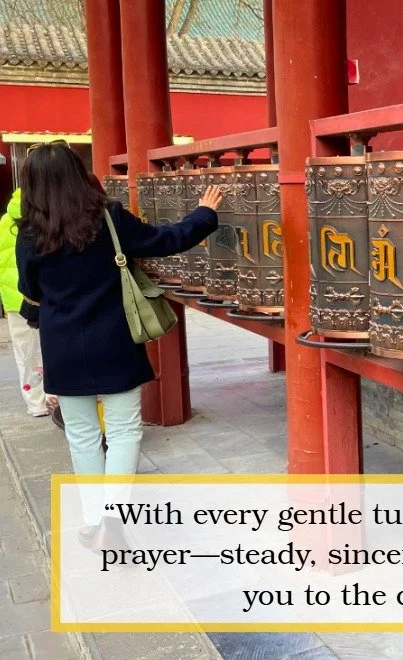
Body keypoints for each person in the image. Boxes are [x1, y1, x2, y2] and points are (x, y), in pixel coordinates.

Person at [15, 143, 223, 541]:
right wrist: (204, 213)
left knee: (82, 436)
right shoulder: (108, 220)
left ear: (33, 184)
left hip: (64, 347)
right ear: (78, 175)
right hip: (115, 340)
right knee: (126, 431)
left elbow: (31, 290)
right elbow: (166, 240)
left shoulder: (29, 234)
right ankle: (113, 520)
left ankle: (95, 521)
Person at [0, 188, 48, 416]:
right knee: (49, 348)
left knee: (24, 352)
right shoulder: (45, 219)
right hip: (42, 296)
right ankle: (53, 397)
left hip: (13, 298)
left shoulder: (5, 221)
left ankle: (35, 404)